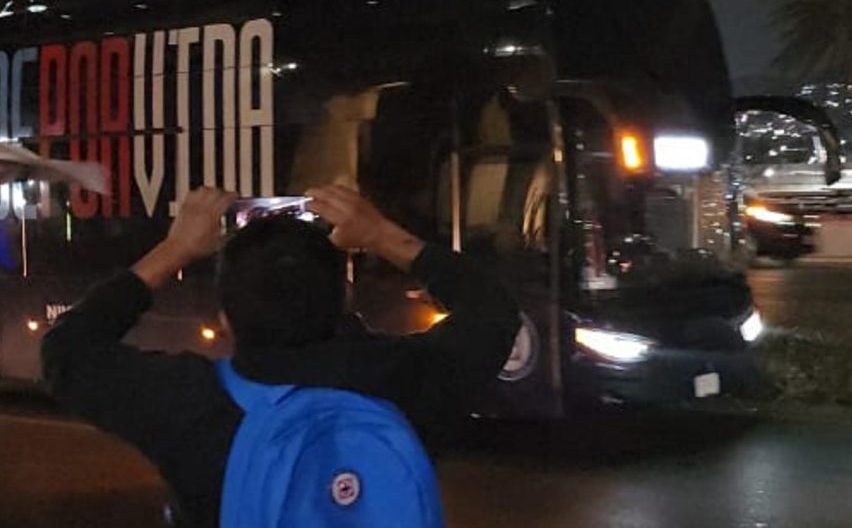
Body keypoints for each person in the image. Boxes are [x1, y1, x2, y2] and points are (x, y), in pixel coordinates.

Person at [41, 185, 520, 528]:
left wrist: (175, 249)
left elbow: (67, 349)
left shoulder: (187, 404)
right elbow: (492, 306)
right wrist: (380, 234)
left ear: (225, 318)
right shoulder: (409, 379)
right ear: (345, 298)